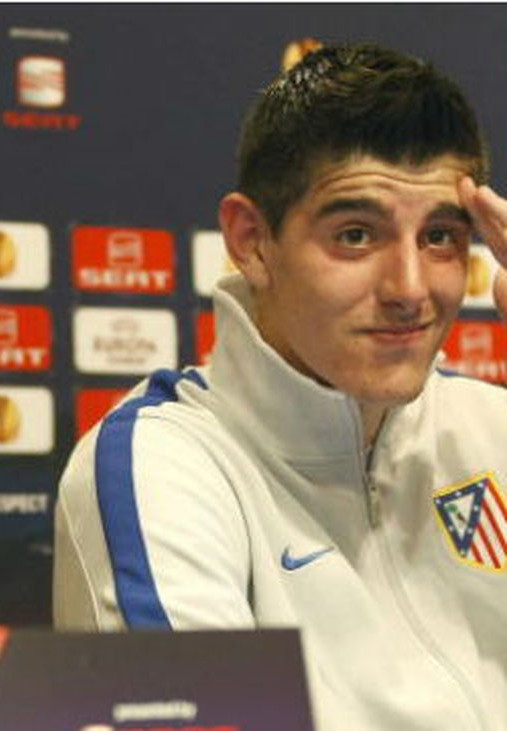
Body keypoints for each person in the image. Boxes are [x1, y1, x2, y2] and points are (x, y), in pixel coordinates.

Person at [54, 43, 507, 730]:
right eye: (356, 235)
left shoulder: (490, 426)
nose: (410, 289)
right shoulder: (160, 464)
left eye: (441, 237)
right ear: (251, 240)